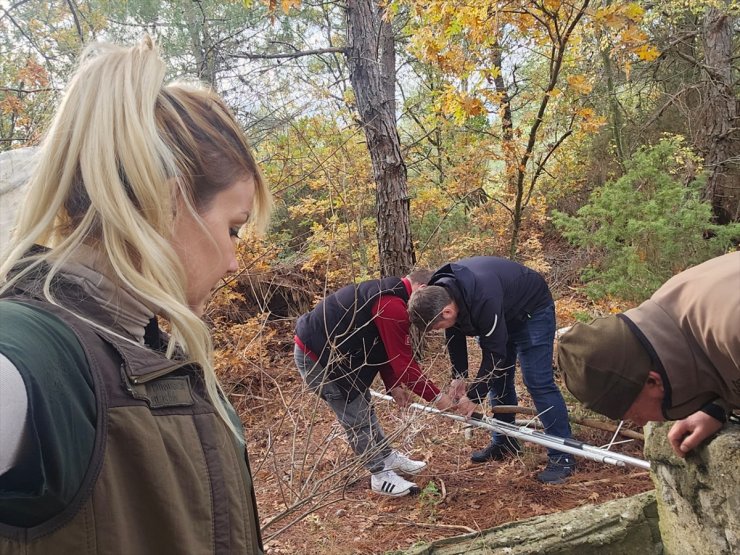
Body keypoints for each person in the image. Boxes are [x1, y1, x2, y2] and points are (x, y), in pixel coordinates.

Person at [0, 39, 271, 554]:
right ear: (166, 204)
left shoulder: (149, 352)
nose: (234, 262)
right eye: (233, 228)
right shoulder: (31, 357)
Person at [408, 256, 576, 484]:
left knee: (538, 381)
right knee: (499, 381)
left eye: (436, 327)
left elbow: (495, 354)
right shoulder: (442, 291)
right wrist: (459, 376)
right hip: (501, 312)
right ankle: (504, 441)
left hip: (531, 311)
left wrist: (474, 397)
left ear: (447, 312)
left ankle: (562, 455)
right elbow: (454, 331)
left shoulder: (482, 296)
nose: (439, 331)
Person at [294, 270, 463, 497]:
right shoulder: (392, 305)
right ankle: (379, 475)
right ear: (422, 289)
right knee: (356, 418)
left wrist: (392, 383)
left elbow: (383, 345)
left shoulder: (394, 297)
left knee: (364, 409)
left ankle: (386, 456)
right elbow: (405, 365)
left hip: (342, 359)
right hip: (318, 360)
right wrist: (438, 398)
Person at [558, 252, 739, 458]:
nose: (642, 423)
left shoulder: (731, 326)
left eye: (634, 415)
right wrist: (716, 407)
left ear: (653, 381)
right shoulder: (673, 309)